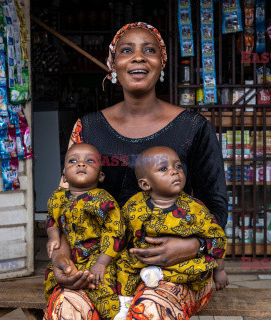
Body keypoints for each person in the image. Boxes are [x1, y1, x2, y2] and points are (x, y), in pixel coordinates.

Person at [44, 22, 228, 320]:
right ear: (113, 64)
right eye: (126, 50)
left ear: (161, 63)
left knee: (152, 311)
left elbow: (215, 204)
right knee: (68, 309)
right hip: (94, 262)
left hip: (172, 269)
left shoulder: (194, 127)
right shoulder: (87, 127)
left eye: (150, 50)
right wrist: (61, 257)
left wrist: (190, 245)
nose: (139, 57)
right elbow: (66, 203)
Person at [114, 146, 227, 320]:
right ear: (145, 184)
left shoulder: (194, 208)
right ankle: (125, 304)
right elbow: (121, 233)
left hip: (183, 268)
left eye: (178, 166)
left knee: (197, 269)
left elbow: (216, 237)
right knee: (123, 265)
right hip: (142, 265)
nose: (175, 172)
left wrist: (220, 271)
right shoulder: (134, 206)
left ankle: (159, 276)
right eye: (163, 169)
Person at [44, 143, 125, 320]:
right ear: (64, 176)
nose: (81, 164)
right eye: (73, 161)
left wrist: (102, 263)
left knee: (102, 286)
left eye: (90, 161)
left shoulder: (104, 201)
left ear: (101, 175)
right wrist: (53, 236)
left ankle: (115, 315)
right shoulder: (57, 198)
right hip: (70, 257)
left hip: (97, 257)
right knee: (56, 281)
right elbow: (52, 220)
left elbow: (115, 233)